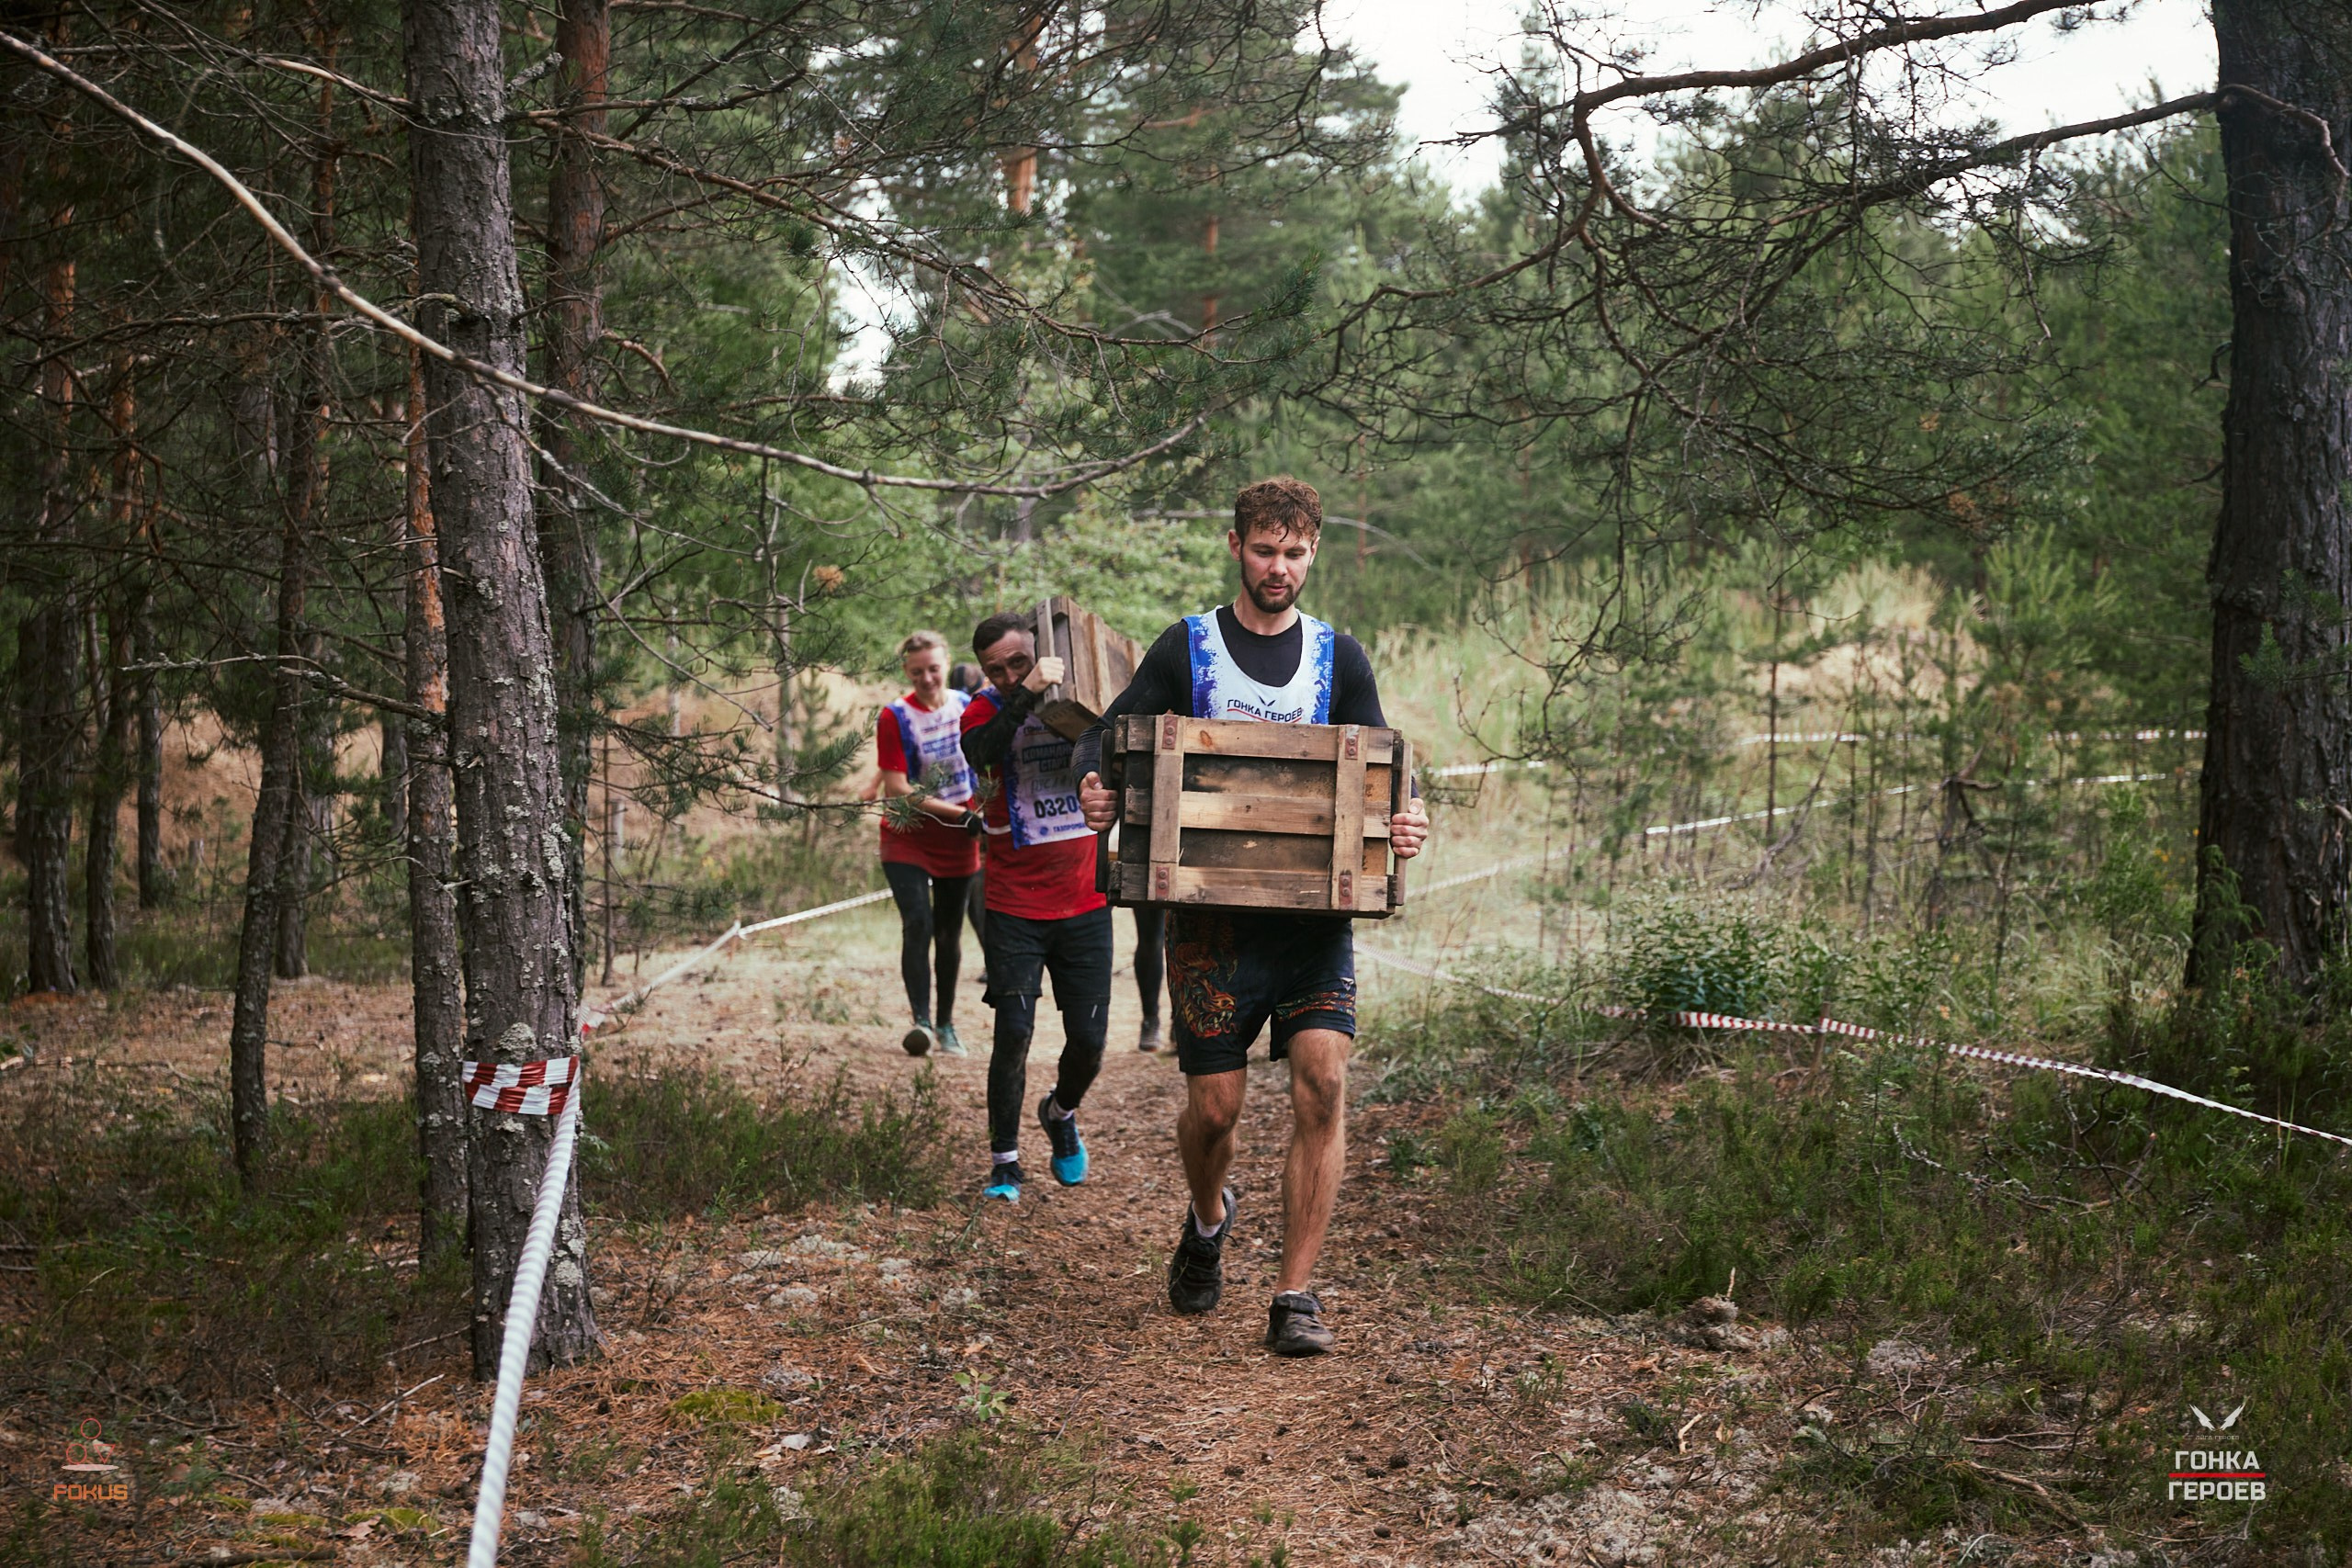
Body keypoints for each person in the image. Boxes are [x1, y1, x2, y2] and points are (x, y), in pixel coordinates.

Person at [1077, 477, 1430, 1357]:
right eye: (1266, 551)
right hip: (1209, 925)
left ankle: (1295, 1296)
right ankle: (1207, 1219)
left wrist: (1408, 818)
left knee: (1324, 1081)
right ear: (1236, 547)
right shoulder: (1189, 648)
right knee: (1217, 1109)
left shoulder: (1337, 658)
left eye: (1296, 553)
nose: (1281, 568)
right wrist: (1096, 787)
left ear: (1312, 553)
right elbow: (1106, 736)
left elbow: (1383, 762)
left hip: (1312, 923)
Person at [960, 611, 1114, 1202]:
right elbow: (982, 753)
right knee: (1014, 1032)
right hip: (1013, 906)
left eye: (1018, 662)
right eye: (996, 669)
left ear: (1039, 650)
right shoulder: (983, 709)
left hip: (1084, 901)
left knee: (1091, 1042)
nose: (1007, 675)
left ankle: (1061, 1111)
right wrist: (1024, 693)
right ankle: (1005, 1163)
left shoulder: (1080, 702)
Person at [871, 631, 985, 1058]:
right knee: (917, 922)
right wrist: (961, 815)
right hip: (909, 836)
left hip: (960, 837)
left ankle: (946, 1024)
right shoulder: (894, 717)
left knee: (949, 933)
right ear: (906, 671)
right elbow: (898, 788)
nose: (927, 679)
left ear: (946, 664)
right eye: (917, 672)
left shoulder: (966, 705)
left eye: (934, 669)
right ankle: (920, 1021)